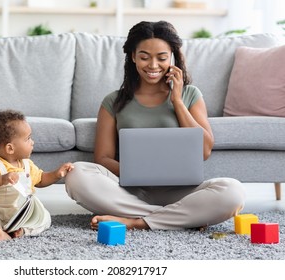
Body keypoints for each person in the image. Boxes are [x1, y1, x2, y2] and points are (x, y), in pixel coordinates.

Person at [65, 21, 245, 231]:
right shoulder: (114, 101)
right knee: (76, 174)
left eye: (161, 58)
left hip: (181, 191)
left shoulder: (190, 95)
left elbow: (204, 150)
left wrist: (177, 101)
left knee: (233, 191)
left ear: (172, 57)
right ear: (133, 57)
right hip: (130, 191)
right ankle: (180, 217)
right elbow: (102, 158)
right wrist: (137, 172)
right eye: (144, 57)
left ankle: (136, 221)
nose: (153, 65)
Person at [0, 109, 74, 241]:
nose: (32, 142)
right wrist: (1, 179)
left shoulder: (27, 165)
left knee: (45, 217)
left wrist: (57, 174)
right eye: (28, 139)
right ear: (10, 148)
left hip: (22, 215)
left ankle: (21, 231)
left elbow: (41, 179)